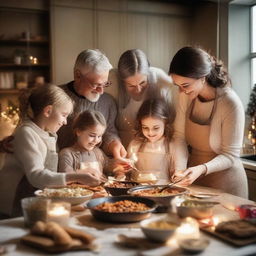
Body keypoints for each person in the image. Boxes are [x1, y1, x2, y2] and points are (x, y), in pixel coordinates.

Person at [0, 84, 103, 218]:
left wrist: (78, 175)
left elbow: (50, 173)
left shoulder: (48, 134)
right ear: (48, 111)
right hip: (15, 203)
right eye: (64, 115)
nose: (65, 122)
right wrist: (76, 176)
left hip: (36, 200)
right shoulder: (26, 133)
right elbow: (36, 175)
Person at [169, 46, 248, 198]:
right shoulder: (186, 96)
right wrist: (179, 169)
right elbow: (179, 137)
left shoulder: (230, 103)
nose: (181, 91)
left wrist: (202, 169)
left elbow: (230, 155)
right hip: (194, 179)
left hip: (227, 182)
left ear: (203, 77)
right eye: (177, 86)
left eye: (185, 85)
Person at [58, 49, 126, 159]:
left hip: (93, 165)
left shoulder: (108, 102)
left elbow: (108, 132)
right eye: (96, 84)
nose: (101, 91)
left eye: (105, 84)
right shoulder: (57, 97)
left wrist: (114, 144)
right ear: (78, 75)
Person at [109, 49, 176, 148]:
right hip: (119, 147)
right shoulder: (112, 83)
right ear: (122, 82)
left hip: (153, 148)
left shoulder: (160, 81)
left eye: (142, 83)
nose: (138, 90)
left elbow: (171, 123)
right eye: (131, 85)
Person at [123, 98, 176, 185]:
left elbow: (178, 176)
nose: (150, 133)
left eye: (156, 128)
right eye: (145, 127)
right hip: (136, 192)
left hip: (163, 192)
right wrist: (123, 170)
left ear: (166, 123)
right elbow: (127, 173)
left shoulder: (173, 145)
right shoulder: (135, 144)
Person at [58, 110, 115, 178]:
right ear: (78, 131)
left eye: (99, 136)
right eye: (92, 135)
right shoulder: (67, 154)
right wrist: (82, 173)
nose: (96, 140)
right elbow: (64, 177)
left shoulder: (98, 153)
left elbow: (110, 166)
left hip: (99, 188)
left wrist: (119, 170)